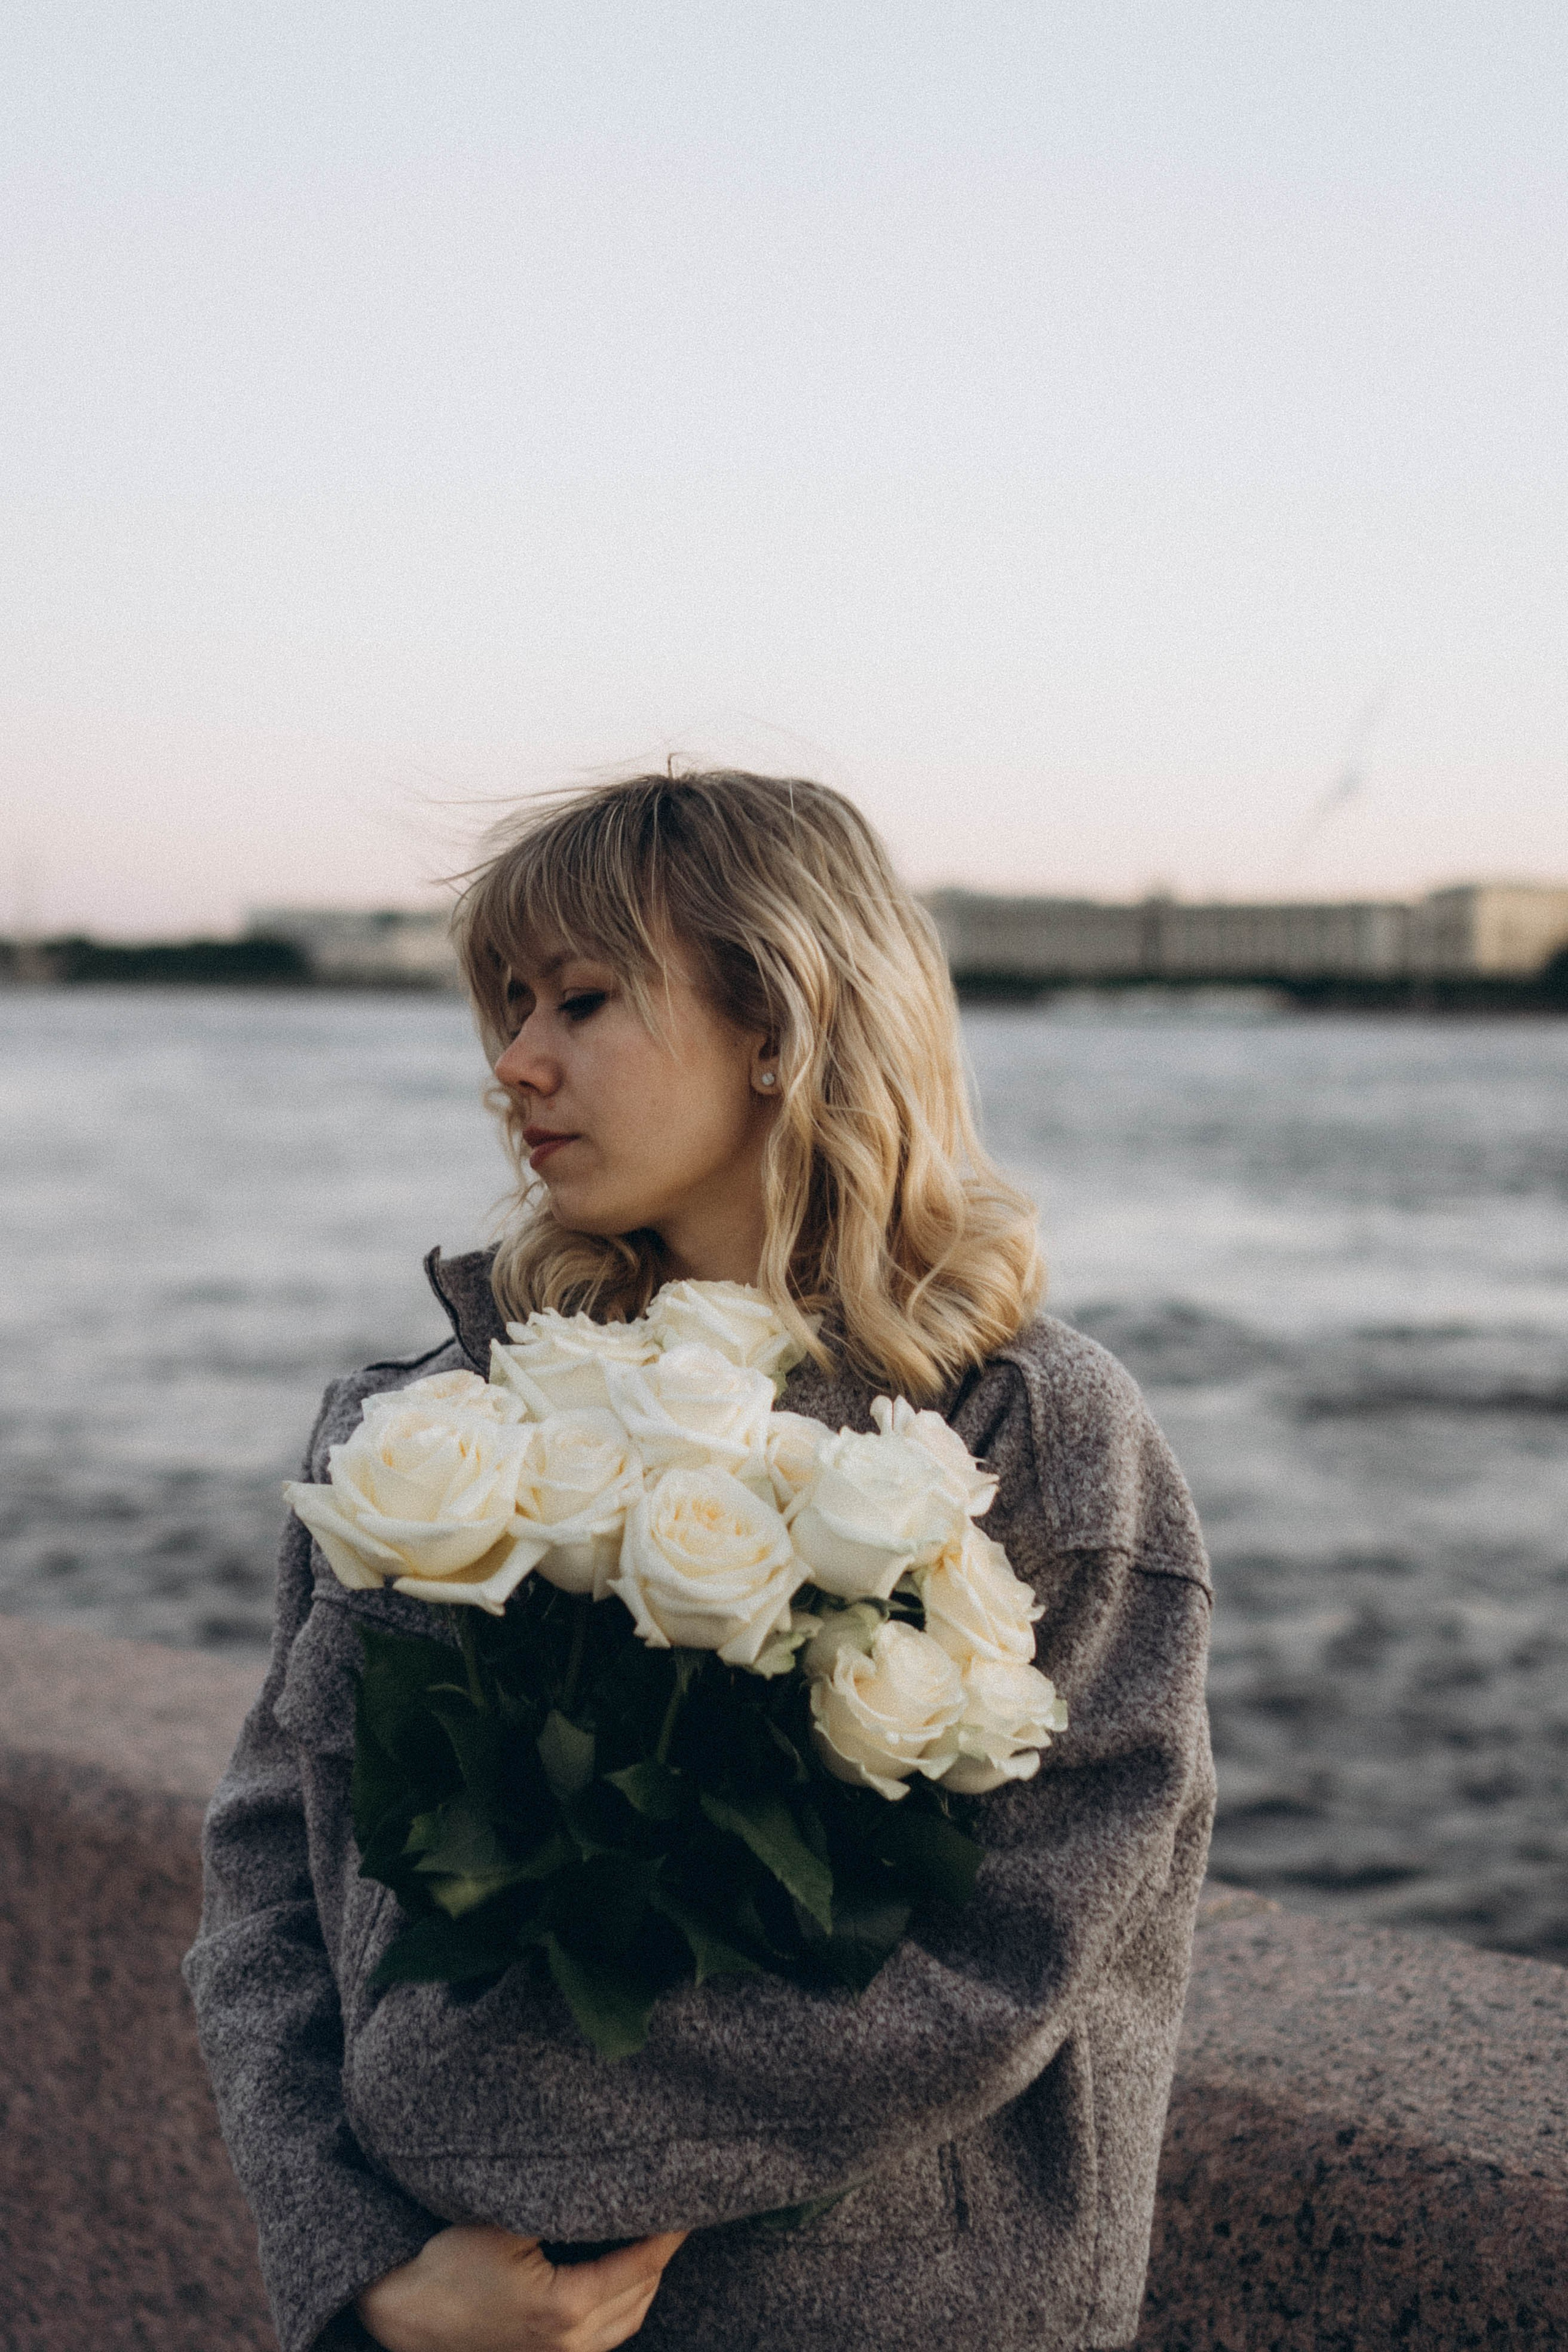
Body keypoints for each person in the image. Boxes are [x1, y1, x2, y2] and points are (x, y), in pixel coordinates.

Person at [186, 771, 1215, 2352]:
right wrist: (369, 2276)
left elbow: (1013, 1956)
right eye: (509, 1002)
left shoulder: (1041, 1443)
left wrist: (475, 2122)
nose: (514, 1065)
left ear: (783, 1025)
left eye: (585, 1000)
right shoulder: (418, 1434)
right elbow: (266, 1883)